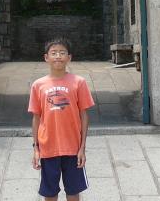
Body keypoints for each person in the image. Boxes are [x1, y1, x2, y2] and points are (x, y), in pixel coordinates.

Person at [28, 37, 95, 201]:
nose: (58, 56)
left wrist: (82, 148)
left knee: (73, 191)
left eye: (62, 52)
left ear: (69, 57)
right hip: (48, 147)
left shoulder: (79, 82)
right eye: (54, 53)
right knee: (49, 192)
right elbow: (36, 118)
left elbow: (84, 115)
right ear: (46, 57)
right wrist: (36, 148)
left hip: (73, 148)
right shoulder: (38, 85)